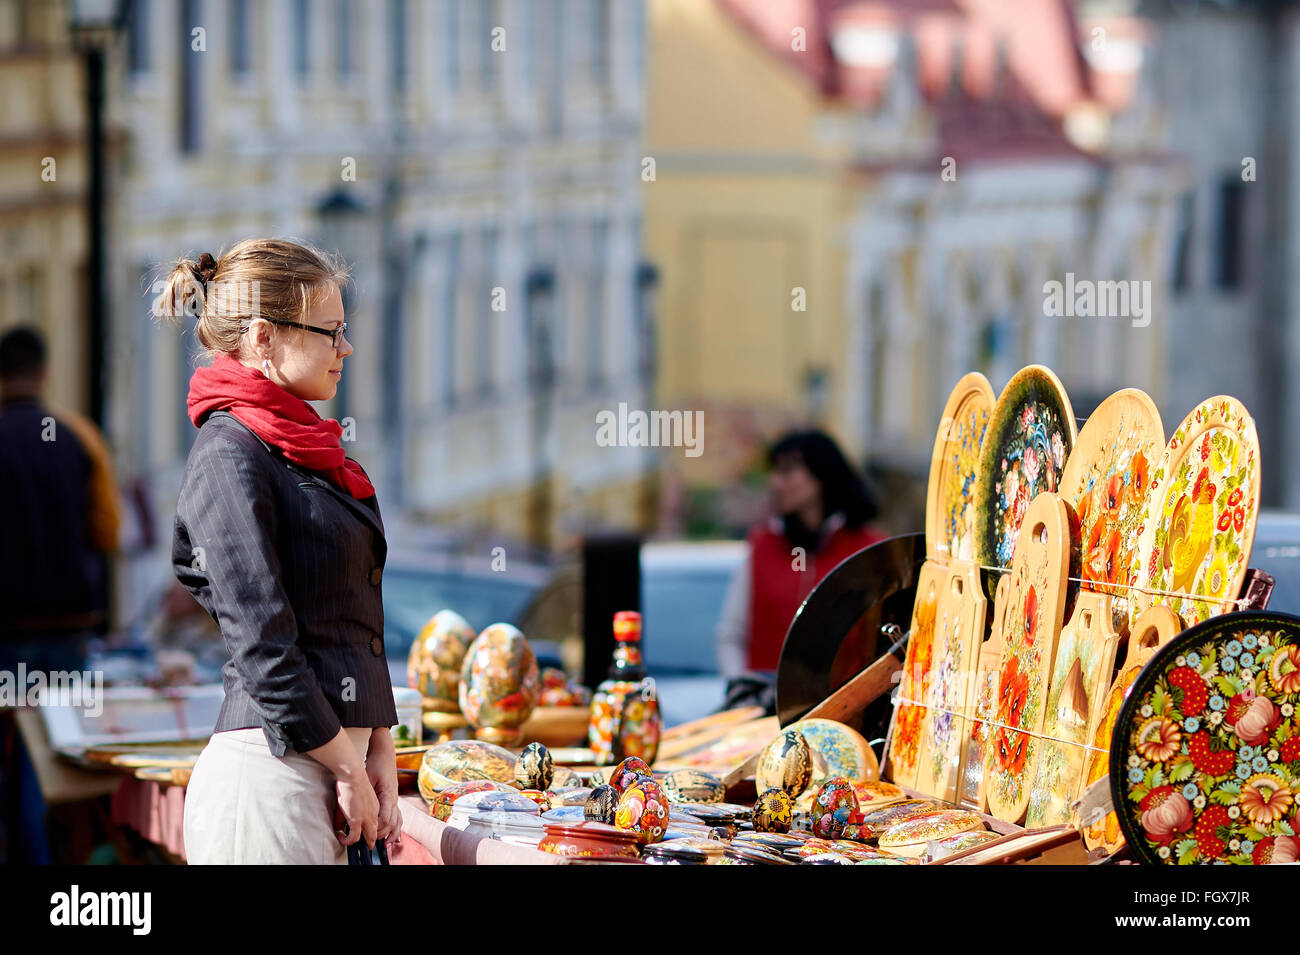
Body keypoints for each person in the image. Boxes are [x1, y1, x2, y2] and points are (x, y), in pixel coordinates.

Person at [156, 239, 400, 864]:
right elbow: (264, 644)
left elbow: (351, 619)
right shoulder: (229, 454)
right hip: (269, 781)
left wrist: (378, 749)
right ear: (263, 337)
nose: (345, 348)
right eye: (330, 331)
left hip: (326, 774)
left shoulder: (304, 445)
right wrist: (348, 767)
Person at [717, 429, 886, 679]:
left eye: (787, 471)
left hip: (847, 711)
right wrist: (742, 684)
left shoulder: (869, 548)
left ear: (821, 475)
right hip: (766, 709)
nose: (775, 482)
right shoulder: (762, 546)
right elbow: (731, 635)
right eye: (774, 472)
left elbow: (888, 638)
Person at [0, 326, 120, 672]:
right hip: (70, 624)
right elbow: (108, 531)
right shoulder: (79, 437)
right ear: (44, 373)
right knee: (64, 724)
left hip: (6, 627)